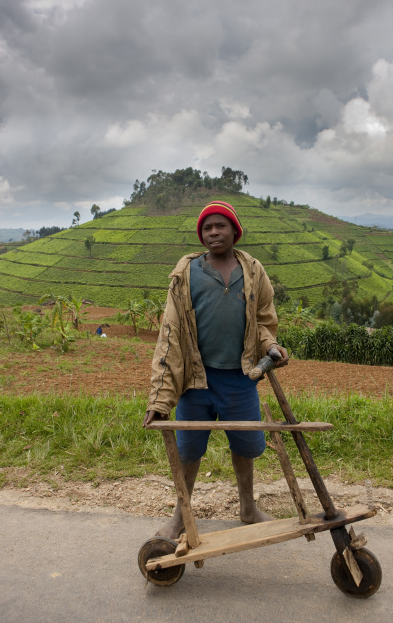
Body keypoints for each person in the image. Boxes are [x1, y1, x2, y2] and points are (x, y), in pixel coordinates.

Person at [143, 200, 289, 538]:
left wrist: (269, 346)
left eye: (220, 226)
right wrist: (160, 400)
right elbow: (169, 338)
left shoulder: (253, 270)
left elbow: (264, 321)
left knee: (246, 445)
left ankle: (248, 508)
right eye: (207, 228)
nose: (213, 232)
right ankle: (181, 515)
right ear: (201, 235)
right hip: (197, 381)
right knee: (189, 449)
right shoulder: (186, 275)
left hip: (241, 378)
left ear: (234, 231)